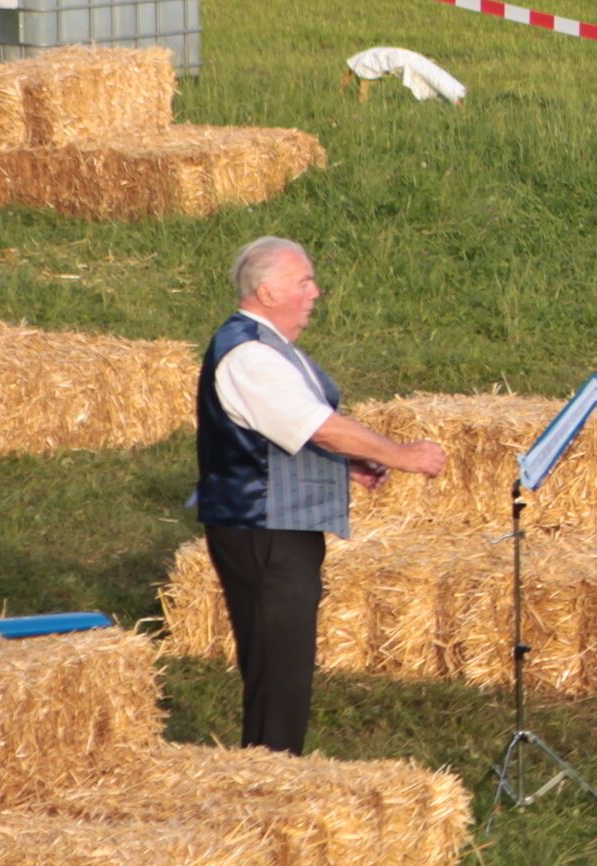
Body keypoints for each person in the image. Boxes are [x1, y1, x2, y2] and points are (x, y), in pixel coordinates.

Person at [192, 236, 448, 755]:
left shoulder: (265, 347)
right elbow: (321, 427)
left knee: (282, 666)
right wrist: (404, 455)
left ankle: (271, 773)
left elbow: (284, 432)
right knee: (279, 670)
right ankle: (269, 781)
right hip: (263, 531)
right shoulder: (250, 356)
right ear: (266, 291)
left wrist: (344, 464)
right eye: (303, 281)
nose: (315, 292)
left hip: (276, 528)